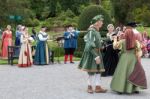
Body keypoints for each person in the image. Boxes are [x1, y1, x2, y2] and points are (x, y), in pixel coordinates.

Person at [111, 28, 147, 94]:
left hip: (124, 58)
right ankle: (134, 89)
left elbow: (115, 47)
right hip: (133, 58)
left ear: (126, 34)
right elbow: (139, 53)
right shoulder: (136, 42)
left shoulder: (122, 41)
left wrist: (115, 39)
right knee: (133, 73)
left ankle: (120, 89)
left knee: (122, 73)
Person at [78, 15, 107, 93]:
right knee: (91, 71)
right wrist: (96, 56)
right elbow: (90, 44)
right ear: (97, 23)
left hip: (97, 52)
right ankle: (89, 86)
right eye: (101, 21)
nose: (102, 23)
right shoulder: (91, 31)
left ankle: (98, 87)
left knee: (98, 70)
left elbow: (97, 41)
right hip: (93, 53)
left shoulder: (96, 31)